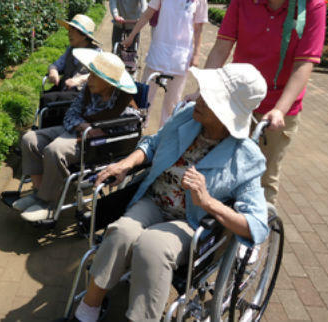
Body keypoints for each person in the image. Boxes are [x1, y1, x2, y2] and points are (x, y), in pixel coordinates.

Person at [71, 63, 269, 322]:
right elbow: (153, 143)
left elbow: (257, 226)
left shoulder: (247, 158)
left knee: (151, 247)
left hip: (191, 221)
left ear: (225, 114)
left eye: (209, 98)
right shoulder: (187, 115)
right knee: (121, 233)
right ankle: (88, 310)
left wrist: (208, 202)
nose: (198, 97)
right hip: (154, 201)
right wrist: (125, 164)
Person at [202, 0, 326, 206]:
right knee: (222, 168)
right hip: (237, 101)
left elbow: (304, 63)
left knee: (264, 177)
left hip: (277, 110)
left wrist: (279, 110)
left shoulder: (312, 6)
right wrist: (204, 89)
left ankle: (256, 241)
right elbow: (221, 47)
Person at [13, 50, 140, 222]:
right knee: (29, 139)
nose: (89, 79)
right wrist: (83, 125)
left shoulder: (125, 105)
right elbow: (70, 114)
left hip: (96, 145)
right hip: (77, 129)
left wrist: (101, 131)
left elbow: (129, 133)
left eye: (94, 76)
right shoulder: (88, 90)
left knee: (55, 150)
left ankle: (48, 203)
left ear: (108, 82)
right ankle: (39, 193)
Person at [123, 0, 209, 127]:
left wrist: (197, 55)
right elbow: (148, 14)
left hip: (182, 54)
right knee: (147, 92)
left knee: (173, 99)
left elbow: (199, 29)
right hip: (160, 48)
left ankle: (164, 133)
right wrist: (131, 36)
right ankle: (139, 126)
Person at [43, 14, 101, 104]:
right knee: (45, 99)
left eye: (73, 31)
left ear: (84, 36)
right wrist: (53, 71)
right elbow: (56, 65)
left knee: (48, 100)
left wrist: (79, 80)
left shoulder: (96, 53)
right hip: (65, 92)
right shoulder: (70, 50)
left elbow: (101, 75)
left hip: (82, 96)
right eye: (69, 30)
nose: (69, 34)